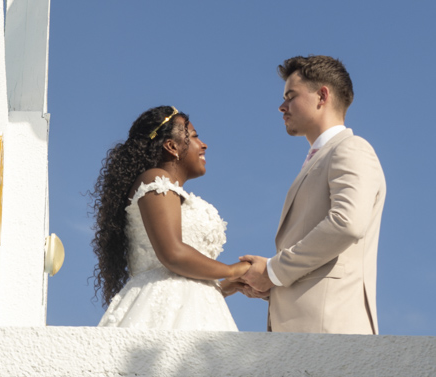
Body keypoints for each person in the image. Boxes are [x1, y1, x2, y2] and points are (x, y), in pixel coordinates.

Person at [240, 55, 386, 333]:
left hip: (331, 328)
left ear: (322, 96)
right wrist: (271, 285)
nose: (282, 107)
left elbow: (347, 224)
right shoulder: (318, 159)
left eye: (290, 96)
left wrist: (272, 272)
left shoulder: (352, 148)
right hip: (303, 332)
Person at [92, 105, 248, 330]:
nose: (203, 144)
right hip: (155, 308)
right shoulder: (155, 180)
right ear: (171, 146)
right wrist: (232, 270)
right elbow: (173, 254)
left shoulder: (171, 191)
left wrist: (225, 286)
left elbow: (186, 291)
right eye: (193, 136)